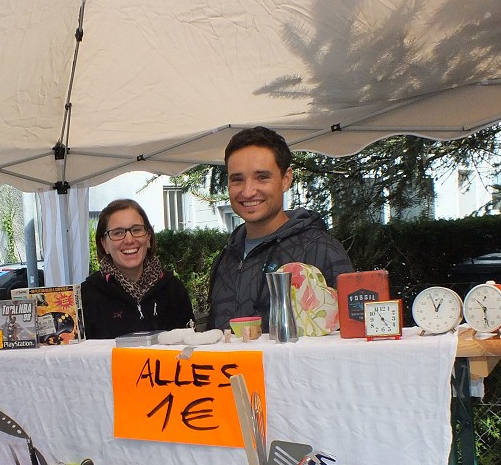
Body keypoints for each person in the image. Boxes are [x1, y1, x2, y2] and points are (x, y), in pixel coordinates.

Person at [207, 127, 354, 330]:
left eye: (262, 177)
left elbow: (352, 334)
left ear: (286, 179)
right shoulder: (226, 258)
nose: (248, 191)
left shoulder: (319, 249)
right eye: (237, 179)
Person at [80, 199, 195, 338]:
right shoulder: (86, 297)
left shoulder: (173, 290)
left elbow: (189, 349)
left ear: (148, 238)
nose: (129, 240)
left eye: (136, 230)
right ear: (104, 244)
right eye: (118, 233)